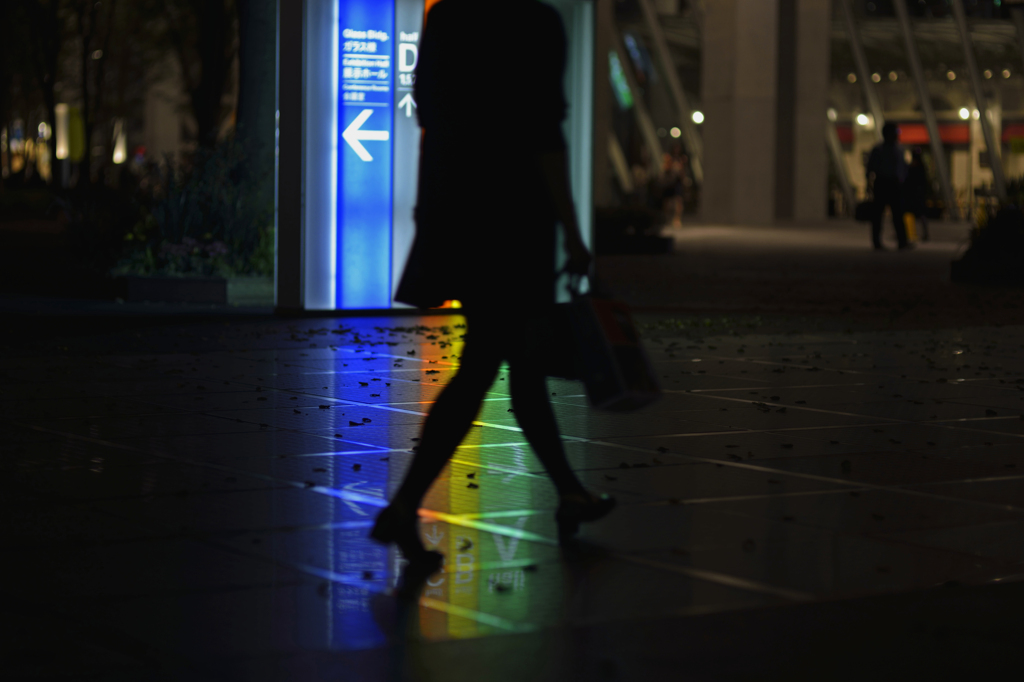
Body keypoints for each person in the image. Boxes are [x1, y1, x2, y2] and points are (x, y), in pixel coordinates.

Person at [370, 0, 615, 594]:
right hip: (516, 222)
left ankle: (570, 494)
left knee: (513, 359)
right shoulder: (536, 23)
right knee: (489, 362)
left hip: (458, 213)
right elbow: (544, 134)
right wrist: (574, 234)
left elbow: (429, 107)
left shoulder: (450, 16)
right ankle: (406, 506)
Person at [866, 122, 910, 250]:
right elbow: (871, 168)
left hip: (892, 183)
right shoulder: (882, 149)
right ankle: (878, 242)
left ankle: (901, 241)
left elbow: (903, 168)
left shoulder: (896, 149)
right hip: (883, 182)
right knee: (881, 213)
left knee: (896, 213)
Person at [903, 147, 930, 242]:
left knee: (909, 213)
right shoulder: (922, 168)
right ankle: (924, 233)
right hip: (919, 194)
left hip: (913, 195)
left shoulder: (912, 168)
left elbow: (907, 181)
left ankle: (910, 233)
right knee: (921, 215)